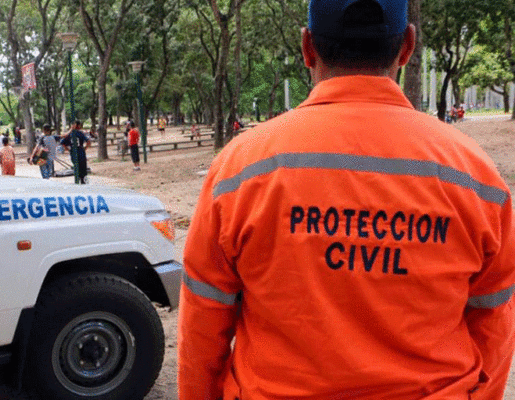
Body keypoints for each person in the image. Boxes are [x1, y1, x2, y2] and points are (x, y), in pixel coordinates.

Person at [178, 0, 515, 399]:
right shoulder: (476, 177)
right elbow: (493, 323)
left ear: (307, 47)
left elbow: (203, 325)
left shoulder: (239, 170)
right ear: (407, 46)